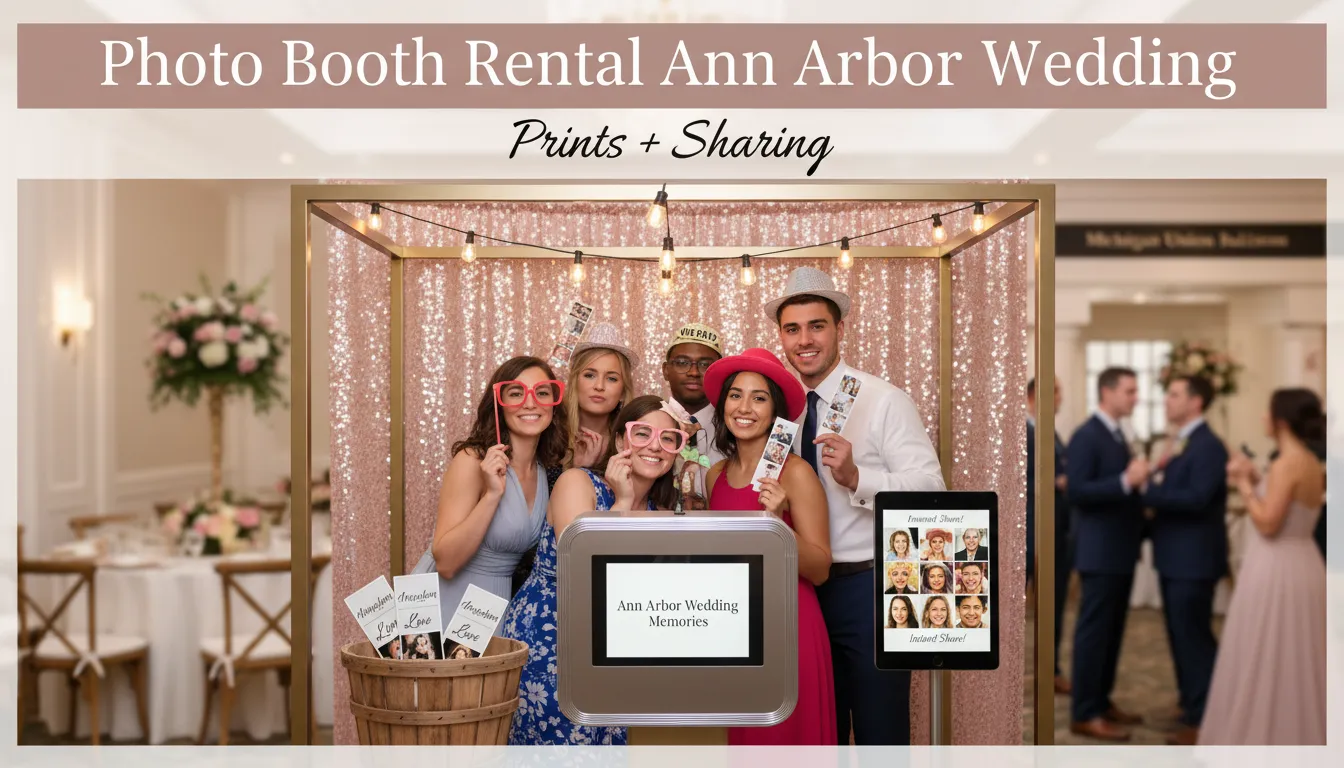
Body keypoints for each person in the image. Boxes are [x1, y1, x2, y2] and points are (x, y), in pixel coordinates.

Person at [767, 266, 945, 746]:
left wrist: (857, 478)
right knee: (814, 730)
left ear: (839, 329)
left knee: (878, 732)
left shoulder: (884, 400)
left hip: (866, 587)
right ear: (781, 336)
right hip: (799, 590)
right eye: (792, 328)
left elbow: (933, 489)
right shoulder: (782, 409)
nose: (805, 340)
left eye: (816, 326)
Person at [502, 395, 683, 745]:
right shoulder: (578, 483)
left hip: (613, 651)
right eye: (642, 433)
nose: (654, 446)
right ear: (619, 441)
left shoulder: (663, 511)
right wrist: (623, 503)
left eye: (668, 438)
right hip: (553, 638)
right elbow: (583, 568)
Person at [702, 347, 836, 745]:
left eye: (759, 397)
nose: (745, 407)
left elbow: (820, 568)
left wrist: (776, 526)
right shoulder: (714, 477)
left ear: (775, 411)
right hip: (734, 630)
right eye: (736, 395)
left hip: (788, 627)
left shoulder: (796, 473)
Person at [1198, 389, 1326, 745]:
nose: (1262, 418)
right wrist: (1256, 479)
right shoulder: (1310, 461)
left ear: (1281, 420)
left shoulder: (1288, 462)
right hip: (1305, 562)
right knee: (1298, 658)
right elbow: (1286, 506)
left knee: (1269, 652)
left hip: (1278, 567)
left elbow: (1268, 523)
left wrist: (1241, 484)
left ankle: (1267, 735)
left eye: (1266, 412)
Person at [411, 357, 567, 621]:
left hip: (494, 607)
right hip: (448, 601)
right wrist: (492, 495)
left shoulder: (543, 469)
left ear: (554, 405)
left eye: (541, 393)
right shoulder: (472, 460)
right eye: (516, 394)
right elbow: (446, 563)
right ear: (499, 405)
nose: (530, 402)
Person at [1140, 375, 1229, 745]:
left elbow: (1195, 498)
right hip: (1175, 556)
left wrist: (1148, 492)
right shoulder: (1184, 441)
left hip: (1194, 559)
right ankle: (1191, 703)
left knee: (1194, 638)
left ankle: (1205, 718)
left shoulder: (1208, 445)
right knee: (1180, 636)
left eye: (1174, 395)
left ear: (1196, 402)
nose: (1167, 400)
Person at [1066, 366, 1148, 742]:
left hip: (1120, 548)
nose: (1135, 398)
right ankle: (1085, 711)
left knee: (1112, 632)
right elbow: (1078, 491)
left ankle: (1101, 699)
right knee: (1094, 633)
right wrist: (1124, 482)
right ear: (1108, 392)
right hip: (1099, 550)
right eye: (1129, 391)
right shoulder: (1087, 435)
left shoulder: (1117, 433)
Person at [1026, 375, 1072, 694]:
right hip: (1030, 532)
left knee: (1052, 604)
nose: (1060, 398)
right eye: (1054, 392)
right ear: (1033, 396)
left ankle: (1050, 669)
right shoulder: (1023, 433)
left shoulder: (1049, 432)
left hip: (1055, 529)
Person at [661, 323, 726, 509]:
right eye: (682, 363)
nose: (693, 372)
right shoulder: (649, 424)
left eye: (705, 364)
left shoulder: (735, 430)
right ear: (666, 370)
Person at [565, 322, 639, 468]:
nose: (599, 386)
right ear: (575, 382)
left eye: (611, 378)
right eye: (590, 375)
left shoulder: (634, 443)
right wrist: (578, 468)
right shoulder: (551, 436)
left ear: (623, 391)